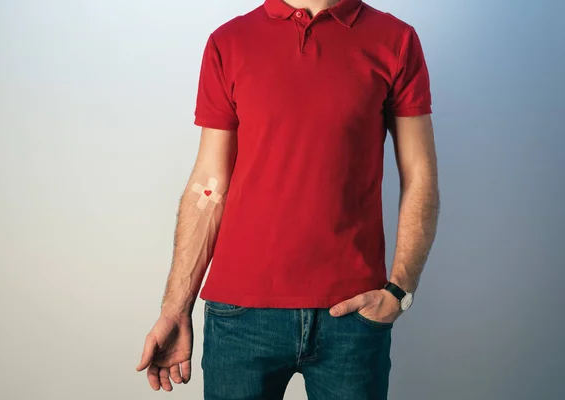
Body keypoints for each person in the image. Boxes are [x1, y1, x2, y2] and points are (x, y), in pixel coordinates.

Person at [136, 0, 439, 398]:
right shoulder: (229, 42)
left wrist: (399, 292)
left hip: (352, 317)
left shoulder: (395, 40)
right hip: (240, 317)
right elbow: (210, 184)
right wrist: (176, 307)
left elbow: (420, 177)